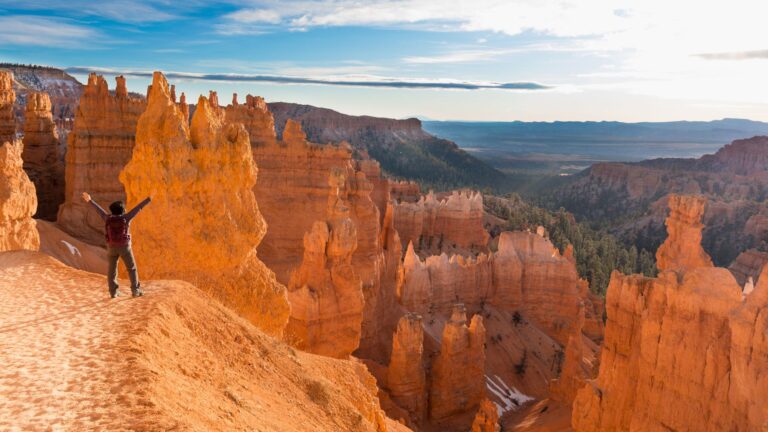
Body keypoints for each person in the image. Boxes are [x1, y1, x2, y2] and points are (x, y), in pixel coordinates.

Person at [82, 192, 152, 298]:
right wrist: (149, 199)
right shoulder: (126, 218)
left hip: (111, 247)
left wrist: (90, 200)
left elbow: (98, 210)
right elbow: (138, 208)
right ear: (123, 210)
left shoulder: (108, 218)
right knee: (132, 268)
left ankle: (113, 292)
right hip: (125, 248)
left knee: (112, 270)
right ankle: (135, 291)